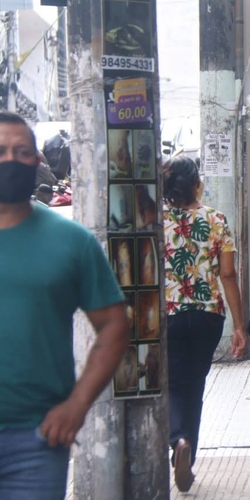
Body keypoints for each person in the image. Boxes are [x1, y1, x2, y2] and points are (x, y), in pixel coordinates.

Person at [0, 111, 129, 498]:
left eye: (22, 151)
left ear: (38, 162)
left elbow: (114, 325)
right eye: (1, 150)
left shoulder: (71, 242)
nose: (10, 160)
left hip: (36, 443)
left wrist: (78, 404)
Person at [162, 156, 248, 492]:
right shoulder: (215, 218)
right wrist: (240, 325)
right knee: (195, 385)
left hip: (166, 313)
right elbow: (228, 274)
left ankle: (177, 441)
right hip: (207, 315)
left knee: (169, 384)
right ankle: (187, 453)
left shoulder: (155, 220)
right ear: (197, 182)